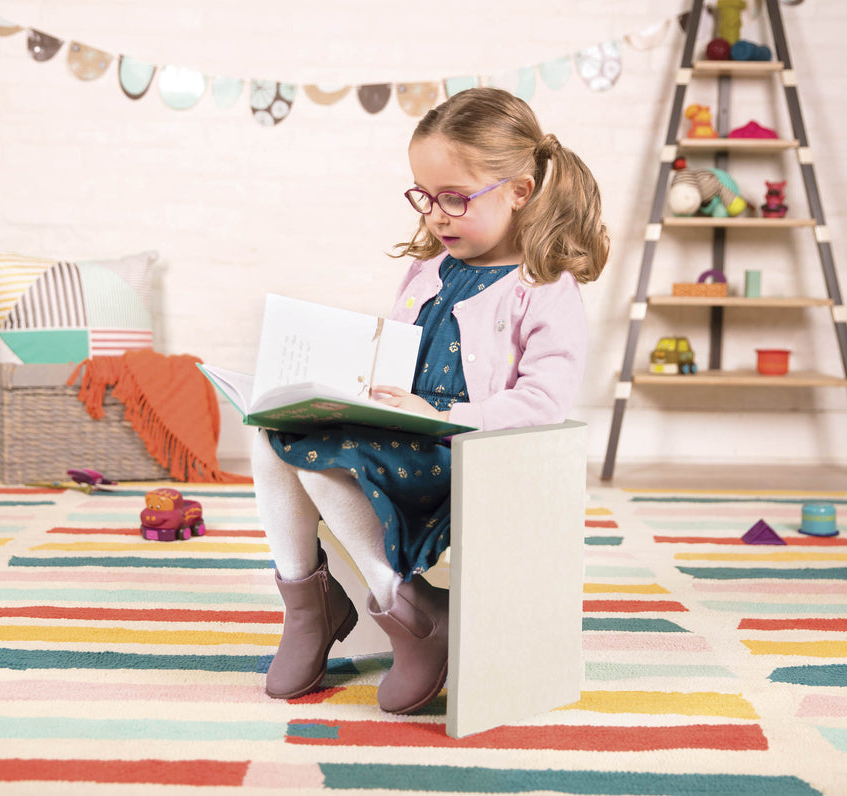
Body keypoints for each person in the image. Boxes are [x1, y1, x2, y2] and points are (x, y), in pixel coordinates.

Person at [252, 86, 609, 715]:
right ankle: (308, 606)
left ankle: (408, 610)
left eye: (453, 198)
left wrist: (443, 418)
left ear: (519, 191)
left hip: (467, 458)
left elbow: (544, 403)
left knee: (329, 458)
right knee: (271, 435)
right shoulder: (427, 270)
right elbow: (399, 359)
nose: (435, 216)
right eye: (424, 196)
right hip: (404, 436)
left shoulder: (544, 287)